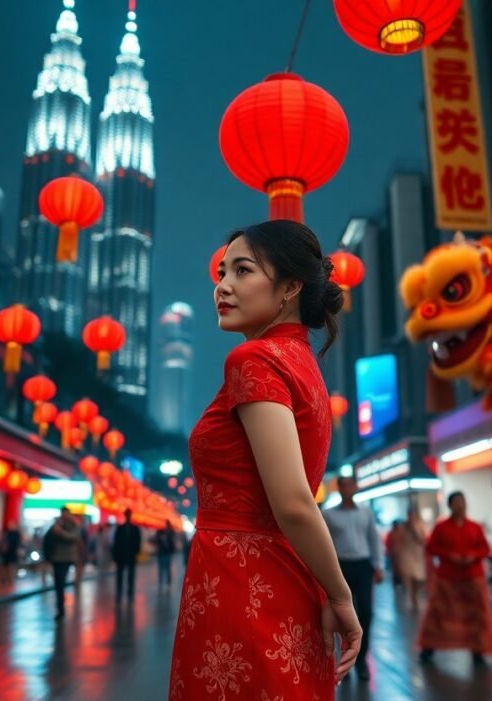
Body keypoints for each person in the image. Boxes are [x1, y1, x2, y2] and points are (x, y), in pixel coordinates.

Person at [168, 221, 362, 699]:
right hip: (290, 581)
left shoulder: (253, 360)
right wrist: (328, 589)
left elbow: (295, 502)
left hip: (239, 583)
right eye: (221, 271)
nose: (223, 286)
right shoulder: (303, 363)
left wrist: (341, 595)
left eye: (243, 270)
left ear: (291, 286)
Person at [418, 492, 492, 666]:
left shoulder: (475, 527)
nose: (460, 505)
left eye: (463, 501)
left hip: (473, 577)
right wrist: (450, 556)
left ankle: (478, 651)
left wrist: (472, 556)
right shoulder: (441, 527)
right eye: (457, 502)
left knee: (476, 616)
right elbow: (431, 547)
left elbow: (484, 548)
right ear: (450, 505)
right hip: (448, 578)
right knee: (439, 614)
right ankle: (429, 647)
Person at [323, 476, 385, 680]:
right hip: (341, 567)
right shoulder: (329, 515)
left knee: (366, 612)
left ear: (356, 487)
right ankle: (344, 662)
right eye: (344, 485)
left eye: (351, 484)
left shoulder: (366, 512)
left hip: (363, 565)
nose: (347, 488)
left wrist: (378, 566)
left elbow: (374, 540)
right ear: (338, 488)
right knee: (342, 615)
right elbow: (325, 544)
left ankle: (361, 660)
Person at [47, 507, 80, 620]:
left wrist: (61, 532)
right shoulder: (57, 524)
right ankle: (60, 608)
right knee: (58, 583)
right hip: (56, 557)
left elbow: (73, 537)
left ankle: (61, 607)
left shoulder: (73, 525)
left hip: (66, 558)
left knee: (61, 581)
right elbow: (49, 536)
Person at [393, 510, 428, 611]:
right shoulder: (403, 527)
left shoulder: (420, 526)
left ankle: (414, 595)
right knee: (409, 577)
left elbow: (422, 539)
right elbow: (398, 540)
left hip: (418, 555)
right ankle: (412, 598)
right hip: (406, 555)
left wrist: (414, 528)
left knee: (419, 578)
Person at [112, 508, 142, 604]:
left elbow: (138, 542)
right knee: (120, 575)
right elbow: (116, 543)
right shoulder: (120, 528)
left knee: (130, 575)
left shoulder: (134, 529)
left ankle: (130, 593)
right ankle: (119, 593)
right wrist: (115, 555)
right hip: (121, 555)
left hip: (131, 555)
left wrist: (136, 552)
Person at [155, 519, 177, 589]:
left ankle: (167, 581)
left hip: (166, 552)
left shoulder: (170, 533)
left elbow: (172, 542)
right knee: (162, 568)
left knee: (166, 568)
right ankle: (162, 581)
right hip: (162, 552)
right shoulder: (160, 532)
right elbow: (157, 540)